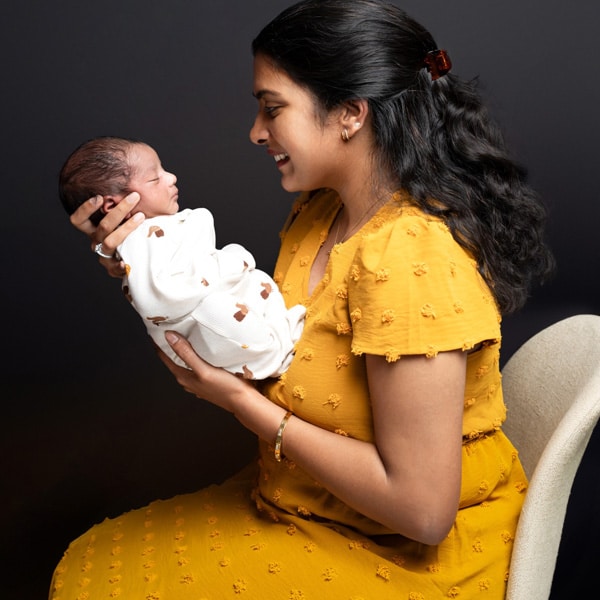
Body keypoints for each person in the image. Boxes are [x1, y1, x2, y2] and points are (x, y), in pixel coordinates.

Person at [50, 1, 555, 598]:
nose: (256, 131)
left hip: (402, 556)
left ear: (349, 113)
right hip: (307, 506)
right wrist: (140, 259)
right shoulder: (321, 213)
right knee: (91, 564)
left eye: (272, 108)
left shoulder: (411, 260)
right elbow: (254, 324)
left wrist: (242, 404)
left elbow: (423, 513)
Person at [58, 136, 305, 379]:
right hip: (206, 321)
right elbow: (167, 295)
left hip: (217, 305)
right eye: (155, 178)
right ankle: (273, 353)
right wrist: (232, 262)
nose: (171, 177)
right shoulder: (140, 241)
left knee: (254, 287)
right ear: (113, 206)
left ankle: (276, 336)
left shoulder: (157, 229)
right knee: (219, 311)